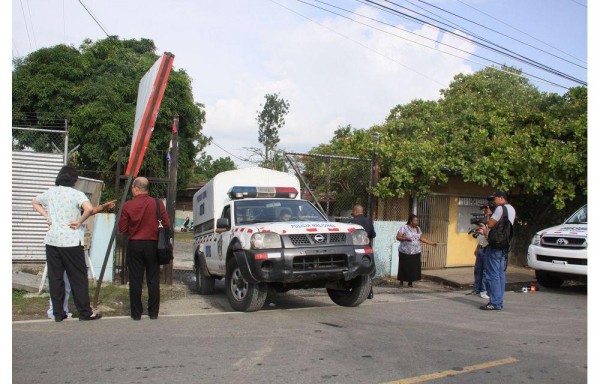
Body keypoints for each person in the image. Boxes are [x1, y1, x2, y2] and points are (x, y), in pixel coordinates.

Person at [32, 165, 102, 321]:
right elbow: (89, 209)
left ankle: (58, 313)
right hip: (71, 241)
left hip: (52, 240)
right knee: (78, 277)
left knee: (55, 277)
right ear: (74, 180)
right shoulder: (76, 194)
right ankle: (85, 312)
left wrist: (47, 217)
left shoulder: (50, 193)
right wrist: (79, 221)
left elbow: (34, 201)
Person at [46, 200, 116, 319]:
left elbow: (90, 211)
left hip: (62, 245)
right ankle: (57, 310)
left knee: (62, 281)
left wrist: (103, 206)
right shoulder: (66, 209)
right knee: (65, 280)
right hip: (67, 246)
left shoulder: (64, 208)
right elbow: (90, 210)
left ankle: (60, 310)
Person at [118, 177, 171, 320]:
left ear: (135, 188)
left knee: (135, 279)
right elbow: (166, 223)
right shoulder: (157, 203)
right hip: (153, 245)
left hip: (135, 244)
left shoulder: (128, 205)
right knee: (153, 279)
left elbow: (122, 228)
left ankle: (136, 313)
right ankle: (153, 313)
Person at [478, 190, 516, 311]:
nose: (493, 201)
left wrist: (489, 215)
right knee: (500, 274)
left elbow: (491, 223)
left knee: (492, 274)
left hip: (494, 244)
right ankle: (498, 300)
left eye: (494, 199)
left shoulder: (500, 209)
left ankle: (494, 302)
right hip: (504, 244)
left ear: (501, 198)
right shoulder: (512, 209)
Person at [396, 213, 438, 288]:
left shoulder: (418, 228)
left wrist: (432, 243)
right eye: (415, 220)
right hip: (405, 252)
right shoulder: (404, 227)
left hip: (416, 252)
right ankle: (401, 282)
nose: (417, 222)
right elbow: (398, 237)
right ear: (411, 221)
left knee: (413, 267)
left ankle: (410, 283)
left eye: (417, 220)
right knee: (403, 267)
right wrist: (405, 238)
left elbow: (421, 238)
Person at [466, 204, 492, 300]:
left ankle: (484, 290)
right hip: (481, 247)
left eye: (485, 209)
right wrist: (477, 248)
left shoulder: (491, 221)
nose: (483, 211)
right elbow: (480, 236)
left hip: (487, 248)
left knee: (485, 271)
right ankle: (477, 289)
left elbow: (488, 236)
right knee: (478, 270)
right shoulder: (483, 220)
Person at [350, 204, 376, 299]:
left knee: (357, 271)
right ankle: (370, 292)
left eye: (353, 211)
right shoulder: (368, 221)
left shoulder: (352, 222)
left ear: (356, 211)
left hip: (356, 249)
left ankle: (357, 292)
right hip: (367, 248)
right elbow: (372, 235)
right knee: (368, 270)